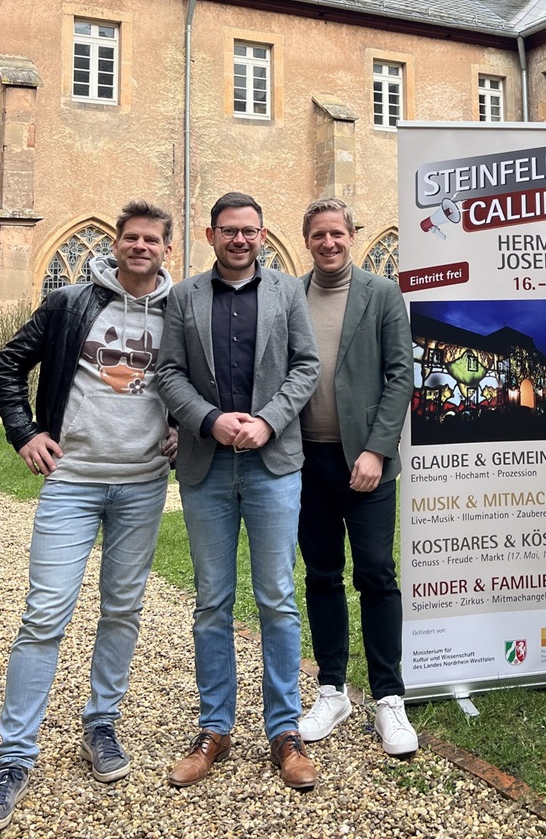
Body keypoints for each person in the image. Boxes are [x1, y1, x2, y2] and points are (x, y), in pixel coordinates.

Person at [0, 202, 177, 835]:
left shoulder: (180, 312)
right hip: (72, 482)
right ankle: (12, 761)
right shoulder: (71, 304)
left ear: (167, 248)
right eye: (130, 238)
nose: (139, 247)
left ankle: (101, 726)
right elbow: (8, 364)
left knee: (121, 609)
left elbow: (203, 383)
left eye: (151, 239)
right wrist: (24, 432)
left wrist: (180, 427)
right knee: (44, 614)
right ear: (116, 244)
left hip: (142, 485)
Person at [155, 192, 320, 790]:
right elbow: (167, 372)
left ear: (262, 234)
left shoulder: (286, 292)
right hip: (206, 465)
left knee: (276, 598)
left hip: (272, 463)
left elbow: (306, 365)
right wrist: (208, 419)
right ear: (210, 234)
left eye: (250, 230)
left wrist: (268, 419)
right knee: (212, 602)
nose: (241, 239)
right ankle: (214, 728)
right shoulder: (183, 297)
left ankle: (285, 732)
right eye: (230, 231)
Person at [297, 198, 417, 755]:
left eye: (337, 233)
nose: (329, 243)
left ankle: (388, 698)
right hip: (304, 461)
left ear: (351, 236)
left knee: (375, 573)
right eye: (318, 235)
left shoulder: (382, 294)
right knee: (321, 574)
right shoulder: (290, 296)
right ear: (307, 241)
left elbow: (400, 377)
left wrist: (375, 450)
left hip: (366, 462)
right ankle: (332, 689)